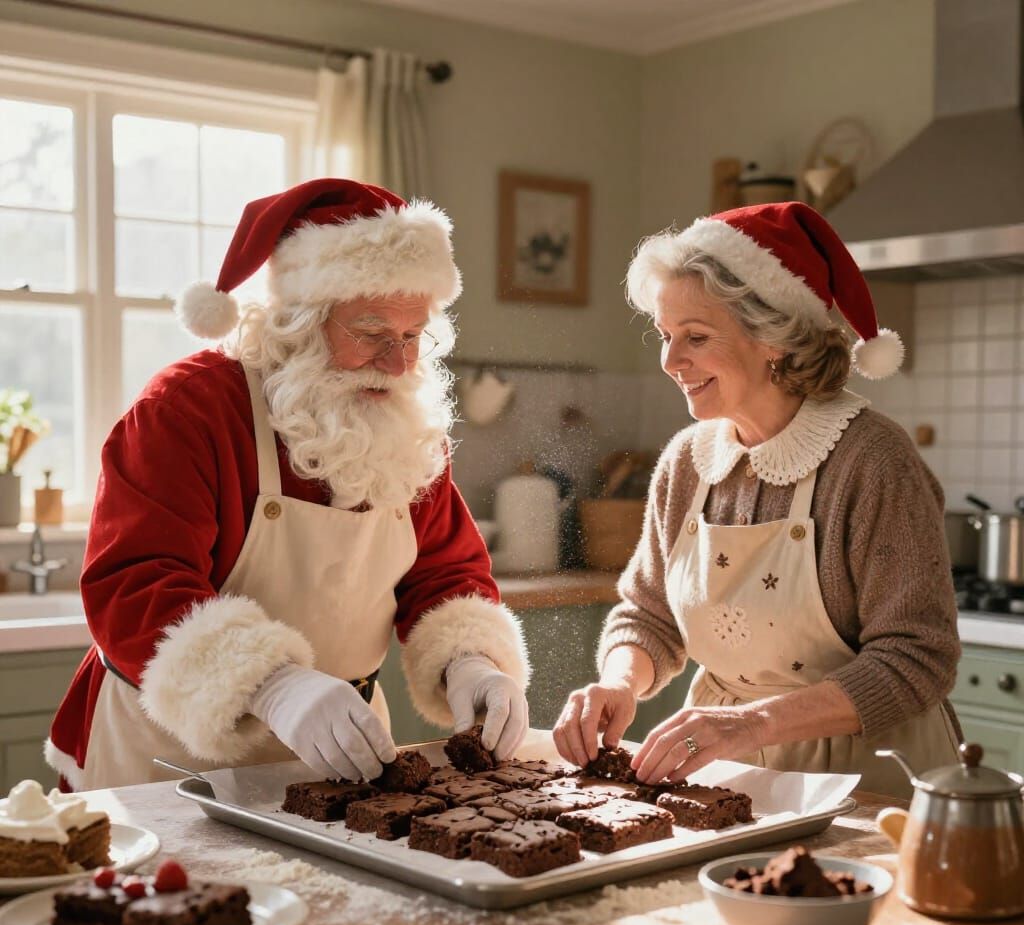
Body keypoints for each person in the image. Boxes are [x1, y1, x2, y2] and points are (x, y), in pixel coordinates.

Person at [47, 178, 530, 791]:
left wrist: (471, 662)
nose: (399, 363)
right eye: (372, 333)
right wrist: (272, 684)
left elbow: (440, 569)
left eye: (412, 336)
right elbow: (134, 584)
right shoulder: (189, 409)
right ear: (299, 321)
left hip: (342, 758)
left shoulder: (402, 424)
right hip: (164, 759)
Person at [553, 201, 960, 798]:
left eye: (695, 337)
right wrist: (618, 681)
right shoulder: (687, 462)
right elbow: (650, 615)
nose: (670, 361)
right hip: (728, 770)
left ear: (773, 339)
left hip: (869, 781)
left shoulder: (872, 460)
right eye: (666, 336)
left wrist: (747, 723)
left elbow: (917, 658)